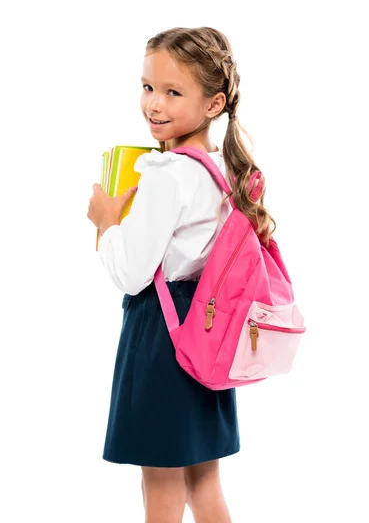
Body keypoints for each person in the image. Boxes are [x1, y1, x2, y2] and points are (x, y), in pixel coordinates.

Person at [87, 26, 276, 523]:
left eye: (173, 92)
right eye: (148, 87)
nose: (155, 104)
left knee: (161, 490)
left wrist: (105, 221)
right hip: (208, 330)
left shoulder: (166, 175)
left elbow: (131, 274)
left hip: (161, 338)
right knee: (204, 484)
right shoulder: (224, 170)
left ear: (214, 104)